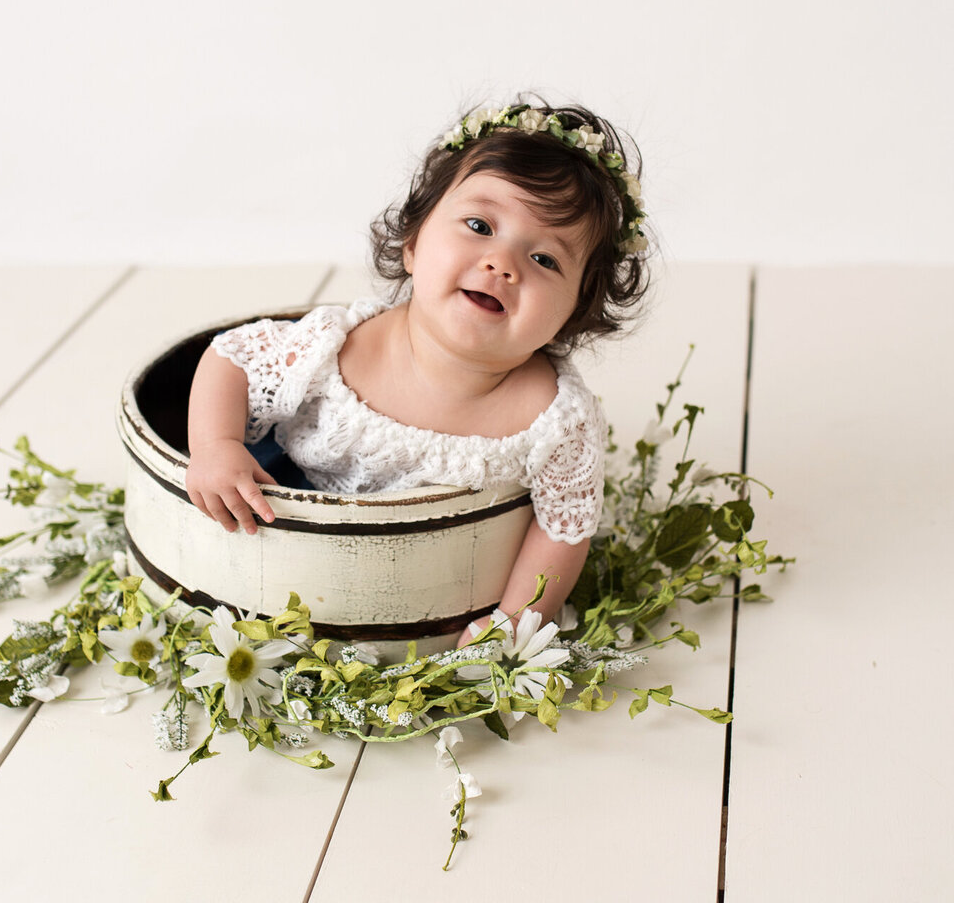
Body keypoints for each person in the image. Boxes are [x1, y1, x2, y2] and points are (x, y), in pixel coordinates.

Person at [184, 97, 649, 646]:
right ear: (413, 244)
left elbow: (562, 529)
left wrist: (519, 620)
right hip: (282, 501)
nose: (502, 264)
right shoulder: (336, 347)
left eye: (545, 260)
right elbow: (232, 356)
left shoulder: (553, 418)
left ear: (571, 313)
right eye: (480, 225)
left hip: (435, 581)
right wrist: (215, 446)